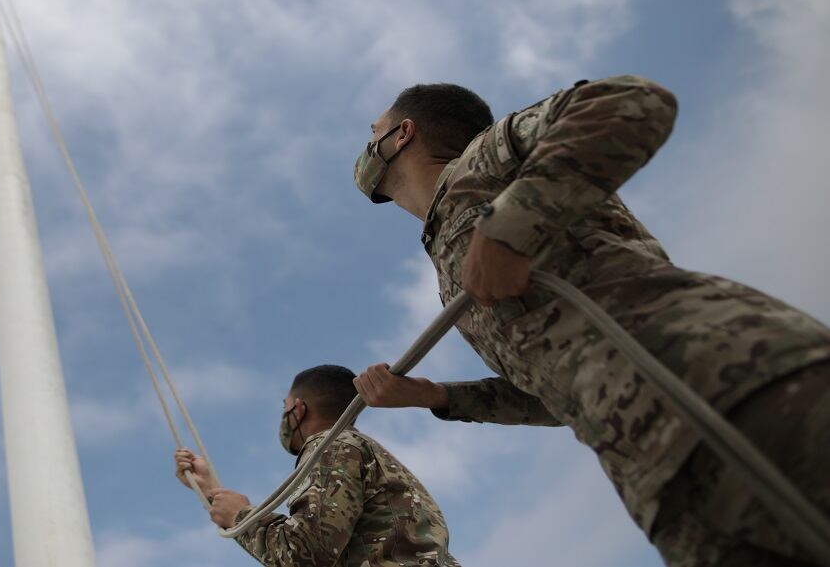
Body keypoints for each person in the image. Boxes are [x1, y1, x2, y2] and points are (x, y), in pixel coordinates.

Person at [349, 76, 830, 567]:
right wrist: (438, 396)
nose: (367, 146)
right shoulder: (450, 274)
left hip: (737, 386)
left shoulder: (483, 161)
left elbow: (631, 101)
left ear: (403, 134)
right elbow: (555, 394)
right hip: (663, 482)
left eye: (374, 131)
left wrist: (510, 229)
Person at [175, 364, 461, 566]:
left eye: (284, 407)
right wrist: (210, 489)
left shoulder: (331, 447)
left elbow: (306, 554)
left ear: (298, 409)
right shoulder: (362, 451)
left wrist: (240, 515)